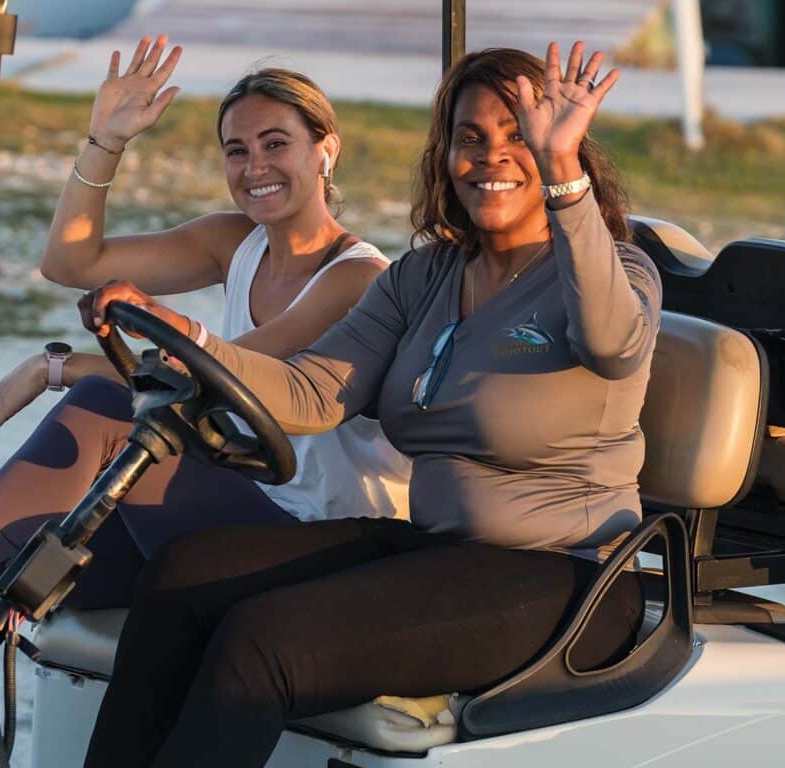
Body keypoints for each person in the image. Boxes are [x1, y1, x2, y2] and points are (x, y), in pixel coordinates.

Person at [81, 42, 661, 767]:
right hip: (442, 550)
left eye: (520, 136)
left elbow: (612, 344)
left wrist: (562, 175)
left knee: (264, 639)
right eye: (471, 137)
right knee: (181, 577)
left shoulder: (616, 270)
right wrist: (186, 336)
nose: (492, 157)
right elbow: (314, 390)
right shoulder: (427, 276)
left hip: (569, 578)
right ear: (445, 153)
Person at [0, 36, 411, 605]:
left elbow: (211, 383)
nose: (255, 166)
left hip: (321, 539)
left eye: (275, 143)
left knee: (104, 412)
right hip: (244, 497)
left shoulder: (356, 279)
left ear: (324, 151)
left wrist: (54, 368)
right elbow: (70, 262)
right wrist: (106, 141)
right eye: (236, 150)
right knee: (0, 519)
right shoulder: (233, 241)